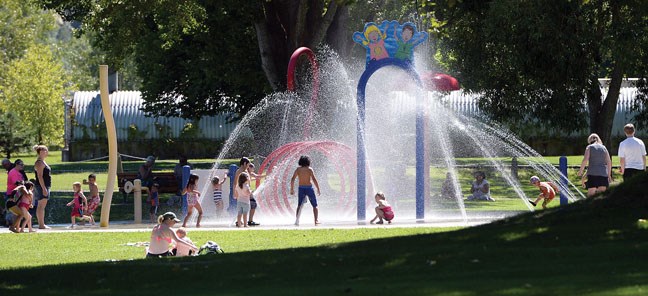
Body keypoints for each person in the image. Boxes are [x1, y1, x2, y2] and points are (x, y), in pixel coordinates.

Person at [290, 155, 321, 226]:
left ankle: (297, 220)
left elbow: (293, 179)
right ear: (308, 162)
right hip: (309, 188)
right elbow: (314, 179)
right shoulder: (310, 169)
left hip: (301, 188)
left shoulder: (298, 169)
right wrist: (318, 188)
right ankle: (316, 220)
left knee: (299, 205)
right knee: (314, 205)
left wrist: (292, 189)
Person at [233, 157, 263, 226]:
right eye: (248, 164)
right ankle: (247, 221)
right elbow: (235, 183)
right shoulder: (239, 171)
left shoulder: (245, 170)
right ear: (244, 163)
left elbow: (253, 177)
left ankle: (241, 221)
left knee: (245, 207)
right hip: (243, 192)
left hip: (246, 191)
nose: (248, 166)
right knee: (251, 205)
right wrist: (235, 193)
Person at [33, 145, 52, 229]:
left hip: (45, 185)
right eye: (45, 150)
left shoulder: (43, 162)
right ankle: (41, 225)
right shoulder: (39, 163)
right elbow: (40, 176)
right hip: (41, 186)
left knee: (42, 205)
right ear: (40, 152)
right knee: (41, 205)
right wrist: (44, 188)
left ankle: (42, 224)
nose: (46, 152)